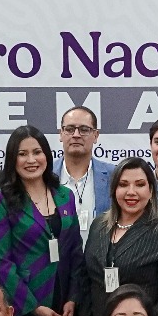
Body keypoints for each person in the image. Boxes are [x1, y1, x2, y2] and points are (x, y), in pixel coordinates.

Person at [0, 125, 85, 316]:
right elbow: (1, 263)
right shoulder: (0, 200)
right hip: (23, 311)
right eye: (22, 154)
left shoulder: (65, 196)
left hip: (63, 310)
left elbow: (75, 251)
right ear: (12, 160)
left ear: (47, 155)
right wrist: (33, 307)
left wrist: (73, 298)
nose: (31, 160)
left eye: (37, 152)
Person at [79, 158, 158, 316]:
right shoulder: (99, 226)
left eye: (140, 184)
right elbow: (86, 280)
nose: (131, 192)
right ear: (114, 190)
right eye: (123, 184)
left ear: (151, 190)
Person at [53, 105, 114, 245]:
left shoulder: (114, 176)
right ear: (61, 134)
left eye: (84, 130)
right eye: (69, 129)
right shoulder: (45, 176)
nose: (76, 135)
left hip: (100, 256)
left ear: (96, 135)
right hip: (56, 257)